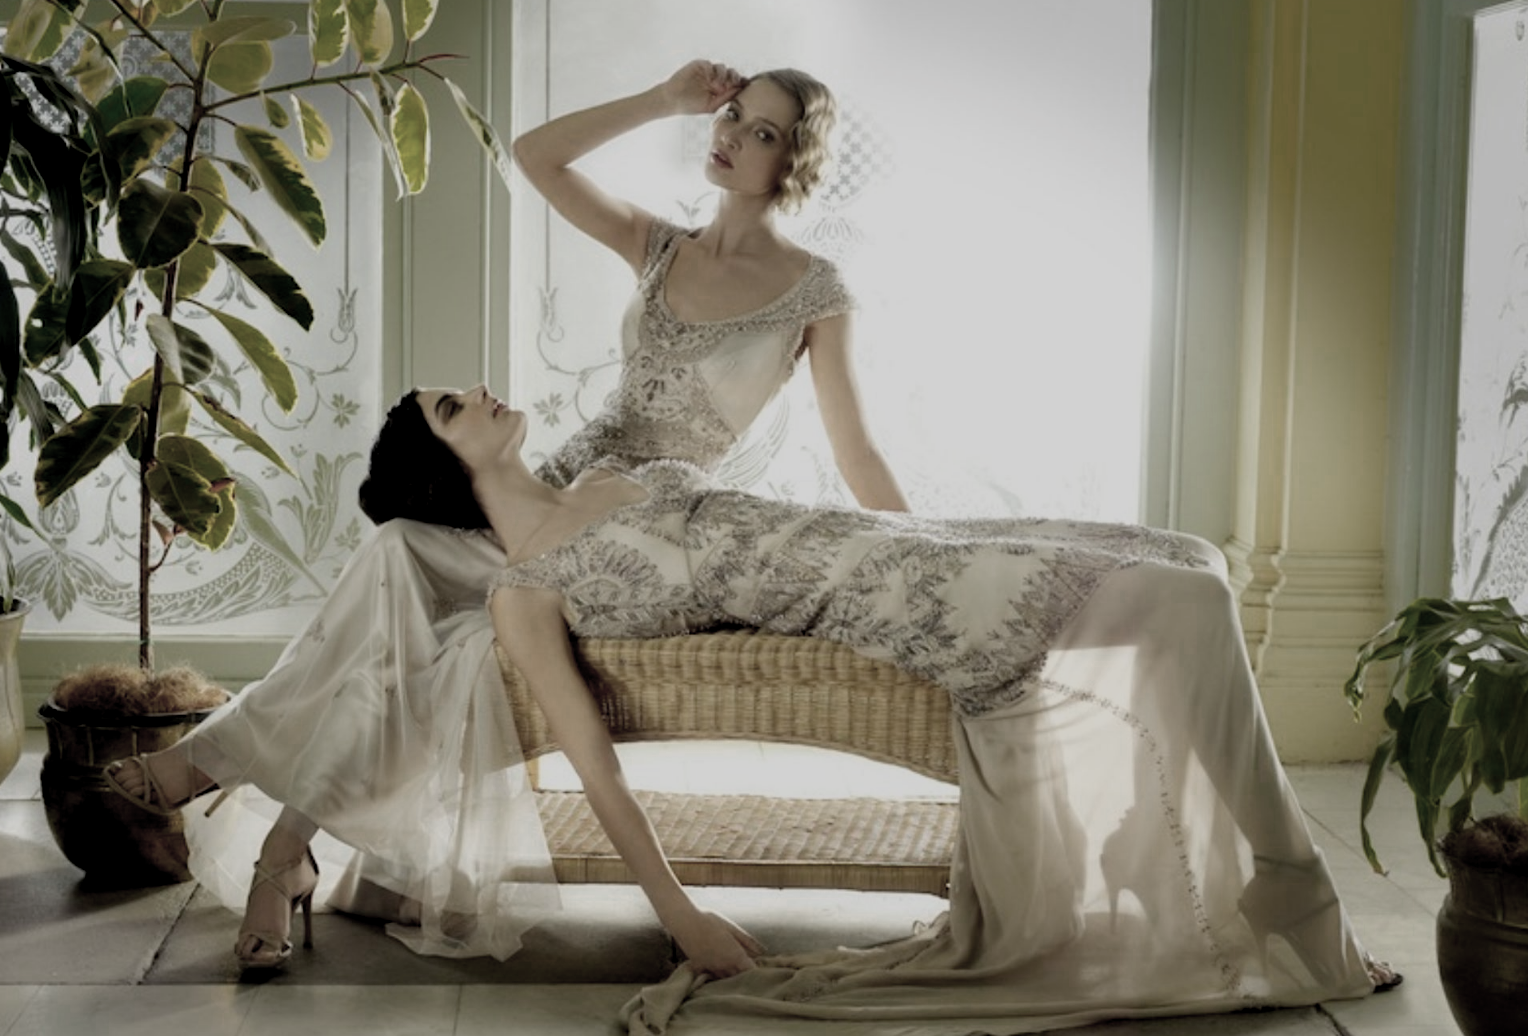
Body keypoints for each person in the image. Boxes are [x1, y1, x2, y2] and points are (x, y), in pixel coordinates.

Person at [116, 384, 1399, 1026]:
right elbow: (593, 769)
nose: (487, 394)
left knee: (1188, 554)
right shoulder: (522, 590)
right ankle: (1287, 886)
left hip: (896, 546)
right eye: (457, 405)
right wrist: (680, 914)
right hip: (888, 603)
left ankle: (1240, 868)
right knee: (1186, 606)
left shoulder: (607, 473)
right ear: (441, 462)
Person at [104, 58, 908, 969]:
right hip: (558, 489)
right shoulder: (661, 247)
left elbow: (859, 451)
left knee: (407, 624)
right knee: (401, 564)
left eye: (762, 131)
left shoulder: (816, 291)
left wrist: (914, 548)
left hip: (646, 526)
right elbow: (535, 155)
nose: (730, 138)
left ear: (793, 158)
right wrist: (660, 98)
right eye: (730, 118)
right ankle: (276, 850)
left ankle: (243, 806)